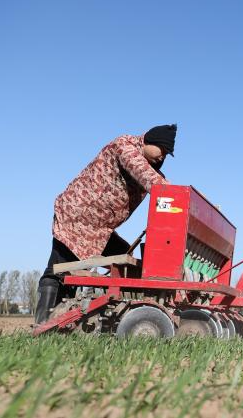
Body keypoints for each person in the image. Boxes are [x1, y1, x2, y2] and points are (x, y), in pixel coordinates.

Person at [34, 124, 177, 325]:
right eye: (162, 150)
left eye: (168, 154)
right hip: (77, 217)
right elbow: (149, 178)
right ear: (147, 141)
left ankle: (85, 317)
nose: (163, 156)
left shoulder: (150, 166)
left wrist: (190, 199)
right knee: (58, 268)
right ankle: (42, 323)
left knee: (124, 259)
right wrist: (177, 196)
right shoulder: (125, 147)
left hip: (98, 228)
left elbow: (166, 185)